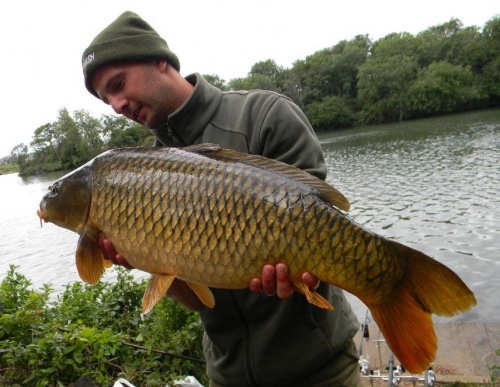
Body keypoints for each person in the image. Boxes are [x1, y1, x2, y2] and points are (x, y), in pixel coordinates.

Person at [81, 11, 360, 387]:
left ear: (160, 60)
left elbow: (318, 226)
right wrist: (143, 256)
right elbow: (198, 300)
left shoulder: (263, 115)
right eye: (106, 99)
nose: (116, 105)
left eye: (118, 84)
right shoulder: (141, 176)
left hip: (319, 371)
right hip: (226, 376)